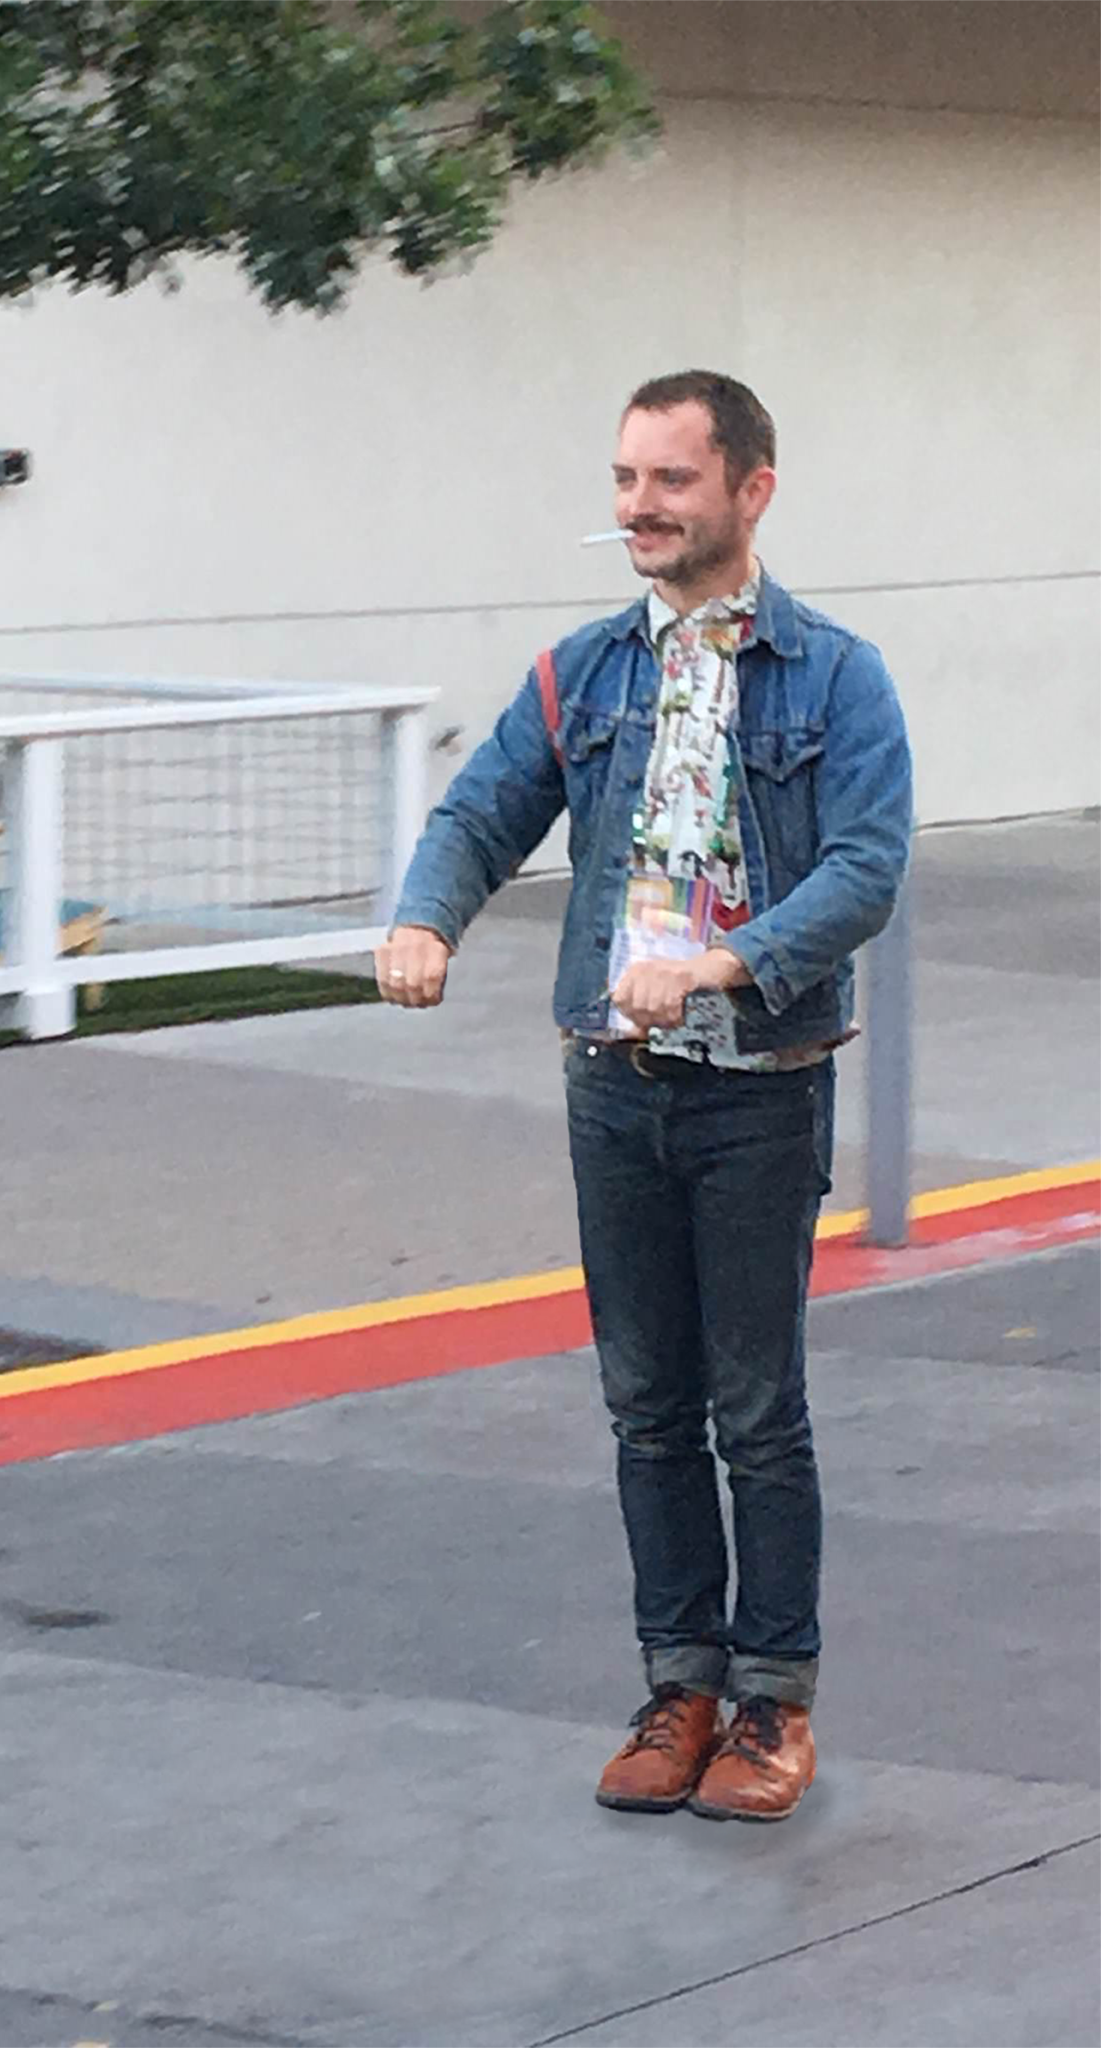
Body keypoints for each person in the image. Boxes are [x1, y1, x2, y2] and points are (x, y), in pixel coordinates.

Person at [378, 371, 912, 1823]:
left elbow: (866, 867)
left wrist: (727, 964)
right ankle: (679, 1687)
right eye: (625, 479)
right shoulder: (584, 674)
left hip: (758, 1086)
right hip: (613, 1085)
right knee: (646, 1406)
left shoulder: (836, 677)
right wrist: (428, 914)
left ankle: (771, 1702)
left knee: (756, 1407)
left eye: (671, 480)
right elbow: (483, 809)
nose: (639, 506)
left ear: (751, 490)